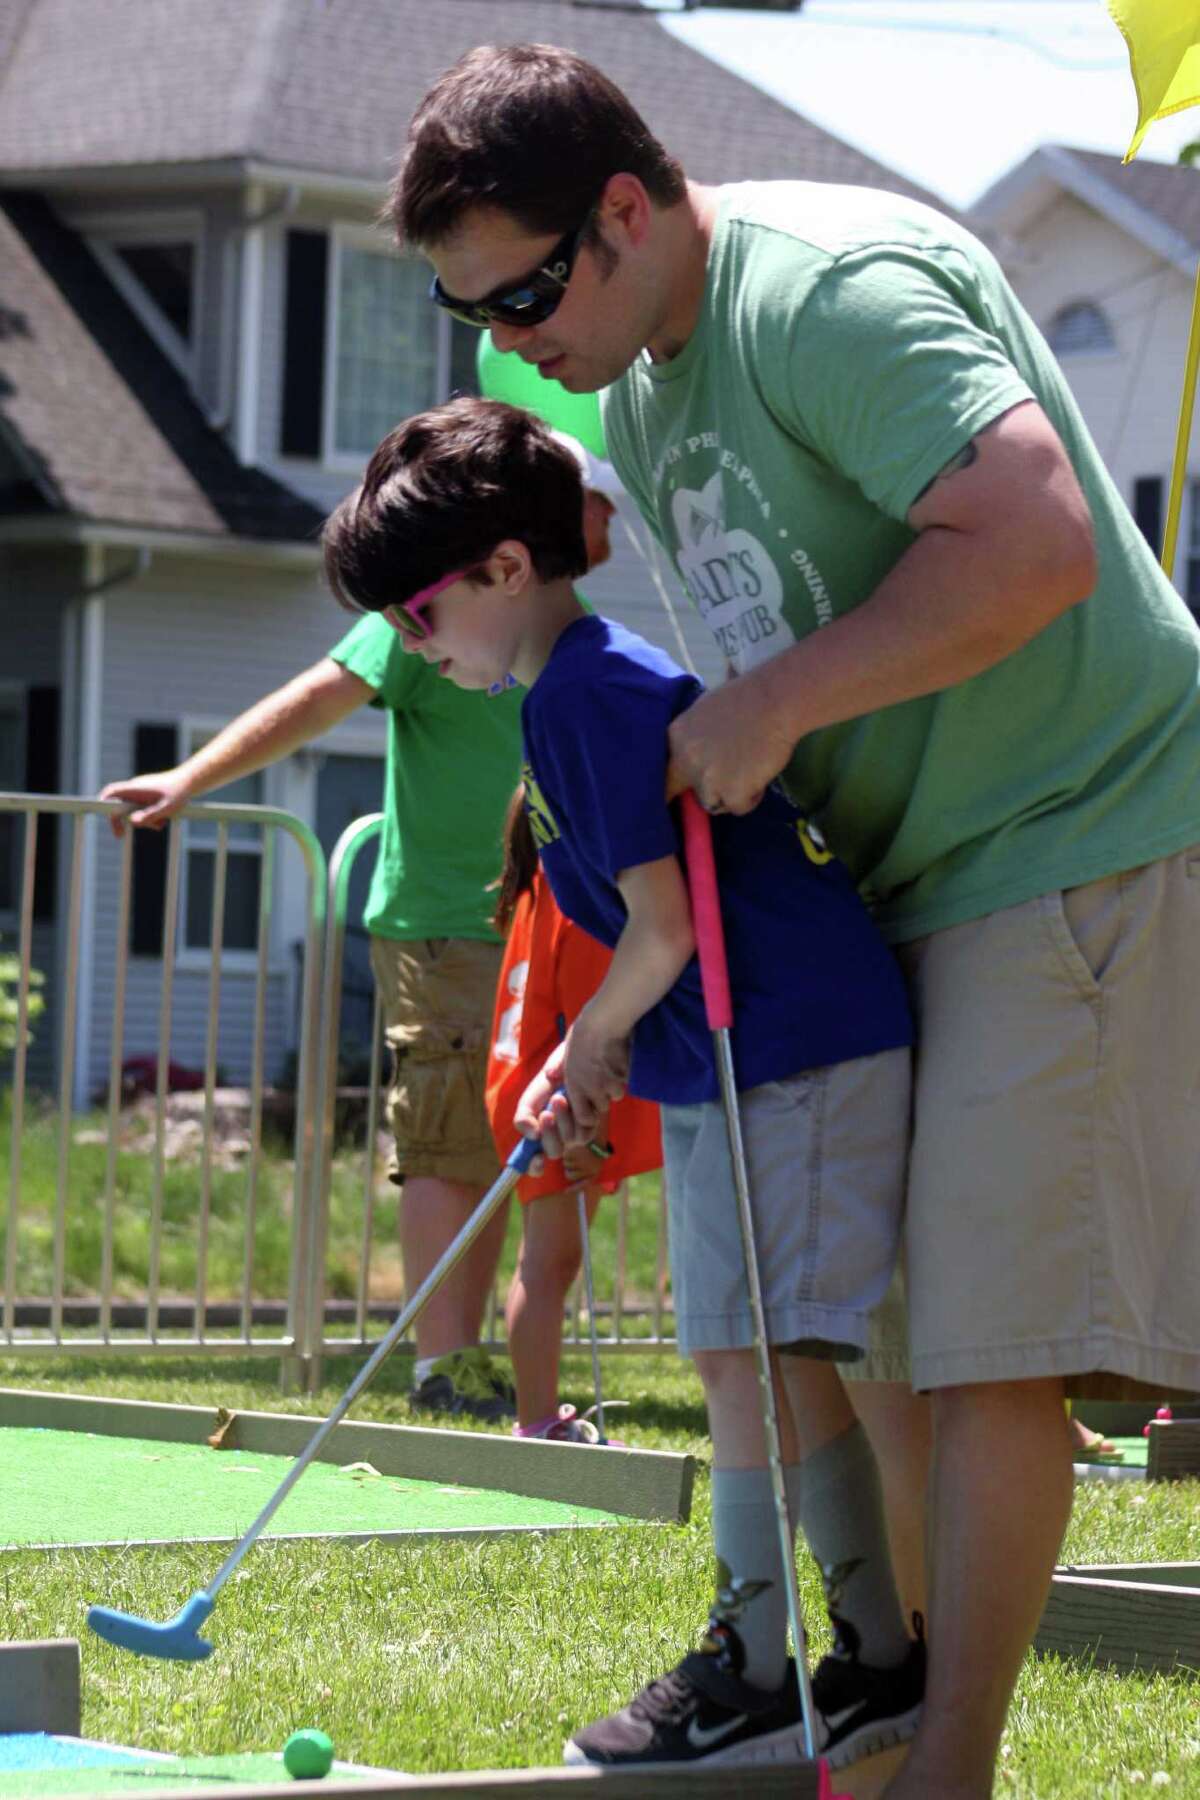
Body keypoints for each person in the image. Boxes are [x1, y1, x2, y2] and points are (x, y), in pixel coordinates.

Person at [392, 45, 1200, 1799]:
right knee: (884, 1339)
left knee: (988, 1345)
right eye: (480, 311)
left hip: (1069, 835)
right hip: (903, 888)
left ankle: (948, 1774)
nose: (514, 339)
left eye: (525, 289)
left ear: (625, 208)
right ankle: (887, 1722)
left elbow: (1043, 538)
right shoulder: (655, 386)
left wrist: (773, 713)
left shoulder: (825, 295)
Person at [321, 395, 923, 1772]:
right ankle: (860, 1652)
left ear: (505, 571)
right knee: (747, 1351)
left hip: (793, 1042)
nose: (415, 646)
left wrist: (584, 1047)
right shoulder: (566, 695)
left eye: (419, 615)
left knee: (751, 1352)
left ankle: (765, 1655)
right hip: (739, 1046)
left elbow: (668, 929)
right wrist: (596, 1060)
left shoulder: (587, 693)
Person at [100, 607, 524, 1422]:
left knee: (498, 1146)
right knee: (444, 1148)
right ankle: (441, 1365)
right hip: (444, 927)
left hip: (529, 922)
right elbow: (320, 696)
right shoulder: (424, 603)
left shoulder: (541, 603)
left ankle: (465, 1360)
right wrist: (188, 778)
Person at [487, 784, 662, 1443]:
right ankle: (534, 1422)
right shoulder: (574, 895)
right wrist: (589, 1129)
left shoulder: (537, 884)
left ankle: (537, 1415)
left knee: (549, 1260)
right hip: (554, 1102)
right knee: (549, 1263)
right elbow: (586, 1011)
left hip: (520, 1089)